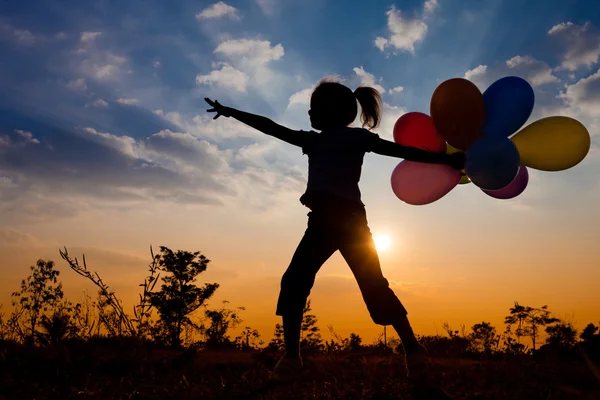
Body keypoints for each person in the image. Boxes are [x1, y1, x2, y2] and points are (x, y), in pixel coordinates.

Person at [204, 77, 465, 384]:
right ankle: (292, 358)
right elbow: (270, 127)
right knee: (295, 281)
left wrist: (443, 159)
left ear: (330, 111)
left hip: (350, 222)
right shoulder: (314, 141)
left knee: (372, 286)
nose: (310, 115)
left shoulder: (356, 139)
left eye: (314, 109)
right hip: (323, 222)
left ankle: (413, 351)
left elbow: (400, 151)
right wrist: (232, 112)